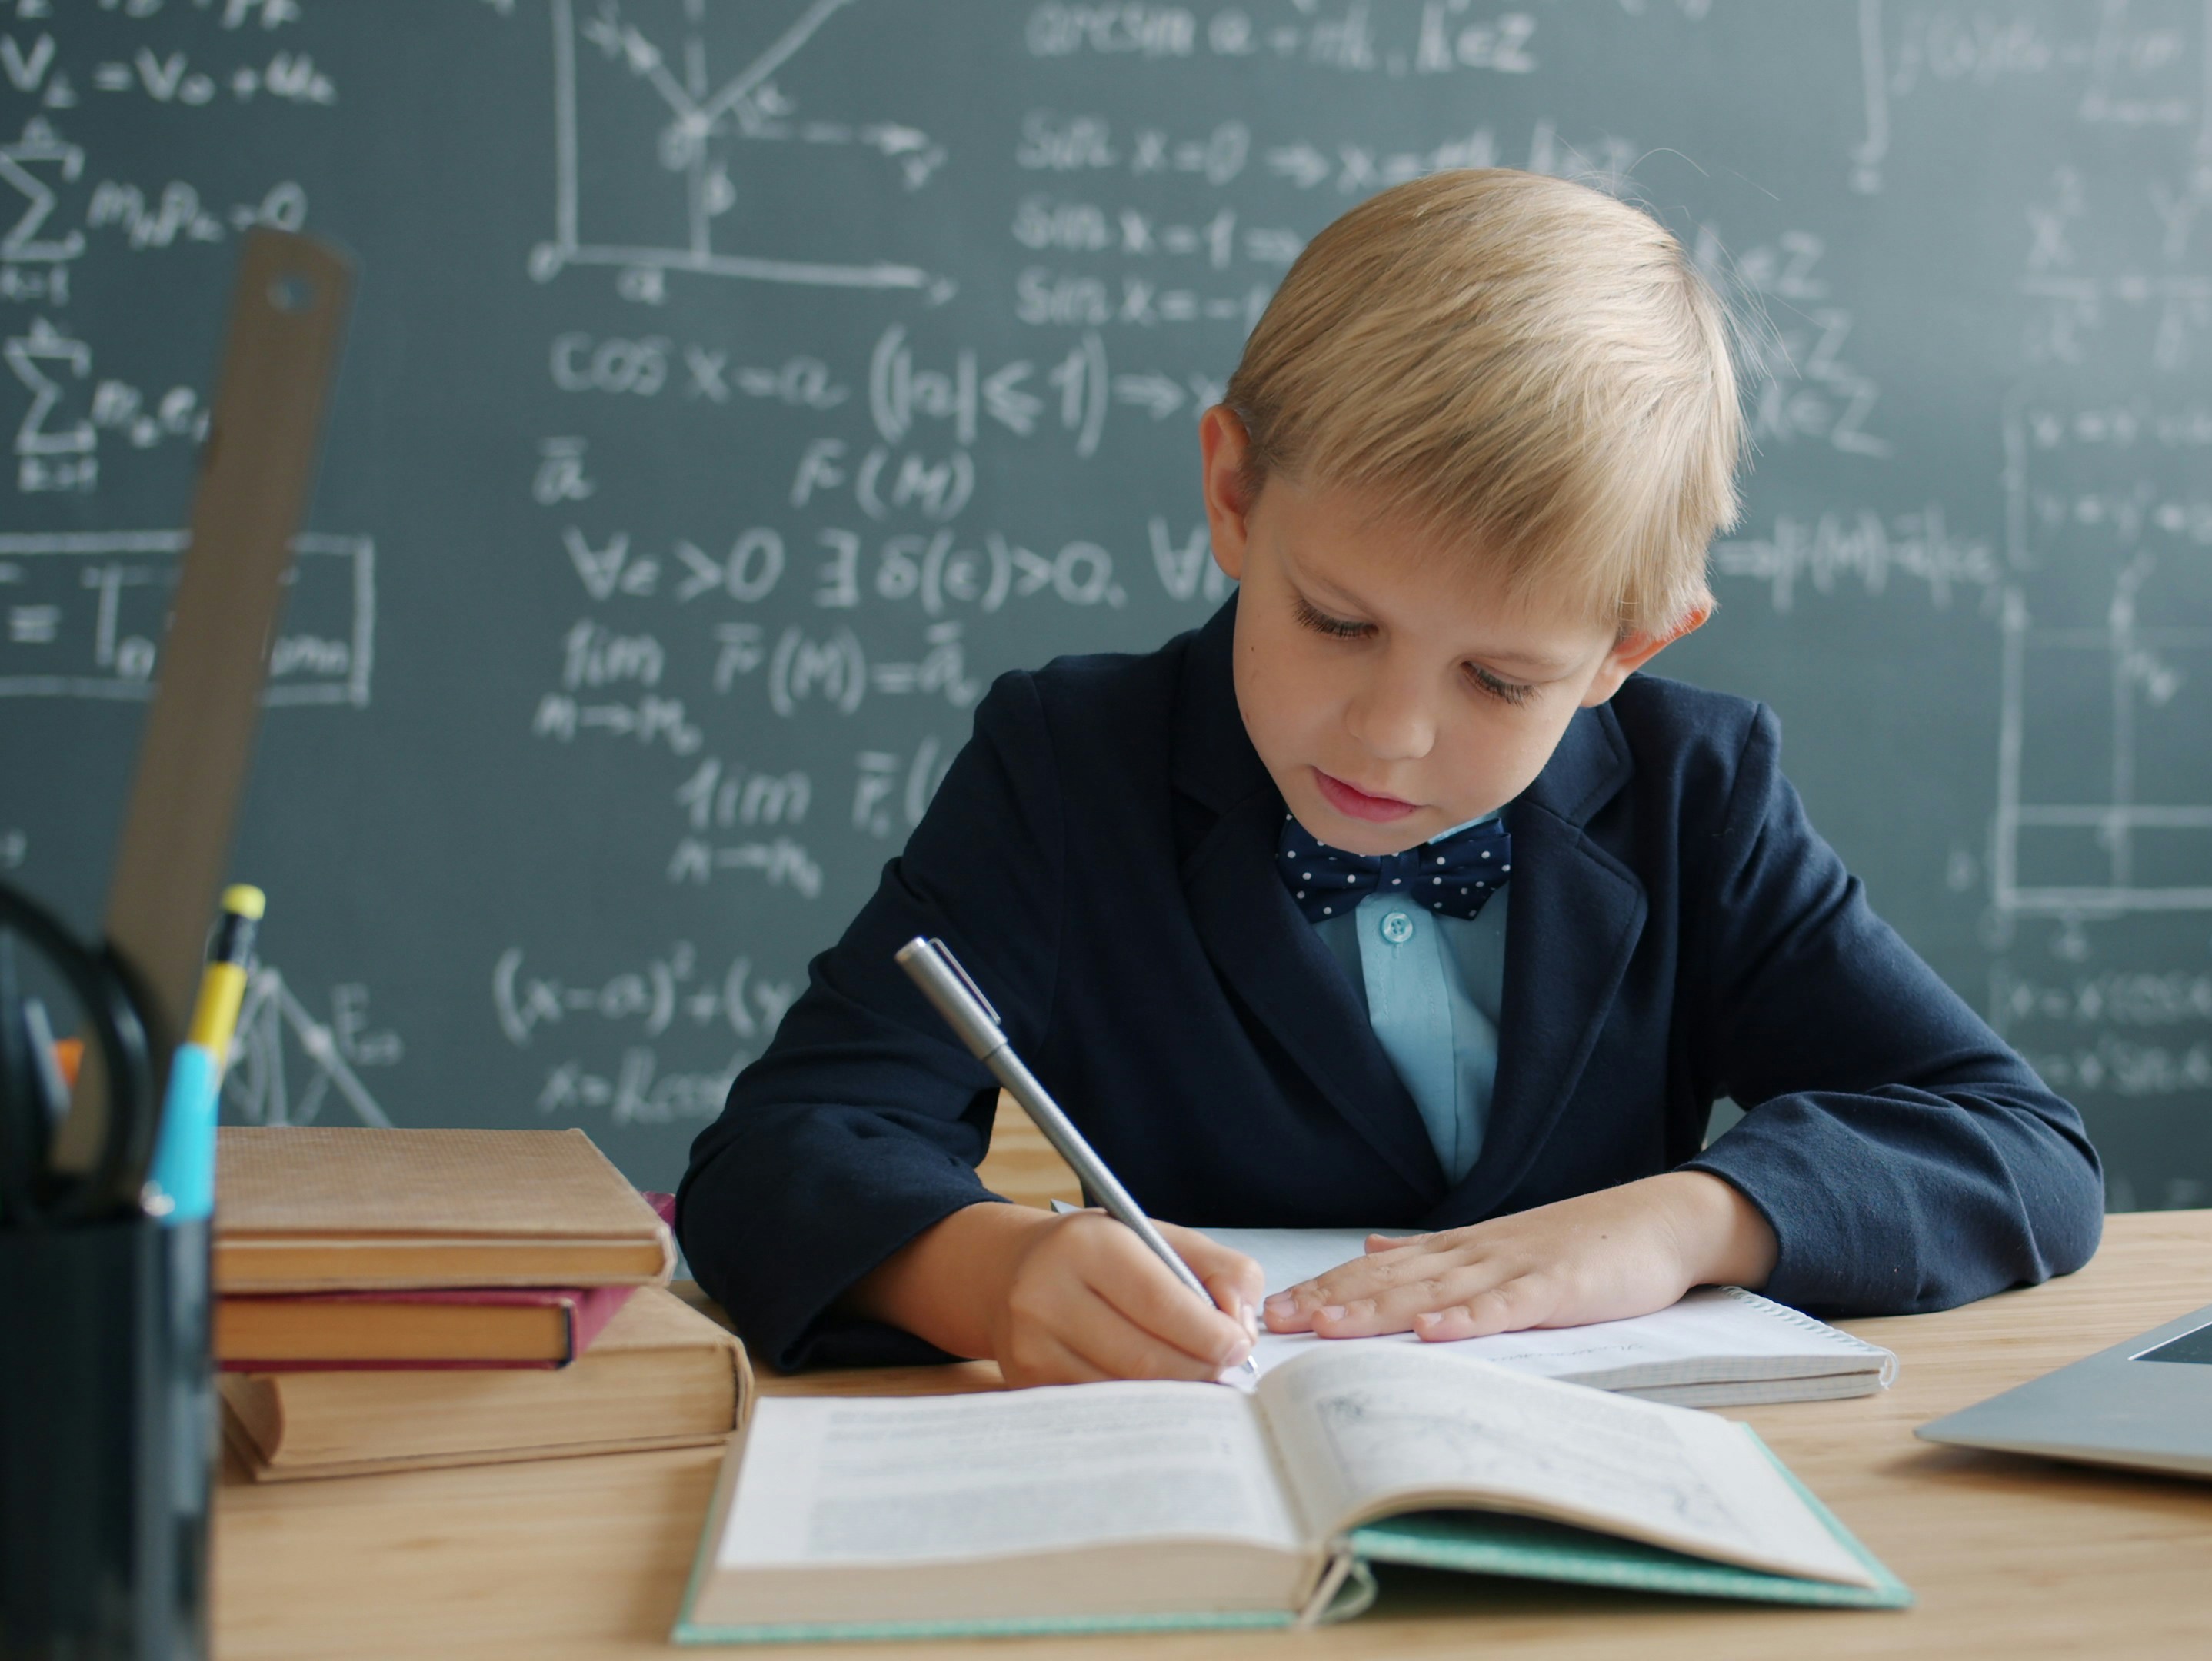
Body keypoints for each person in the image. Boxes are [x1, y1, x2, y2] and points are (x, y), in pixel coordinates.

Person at [678, 168, 2101, 1383]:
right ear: (1233, 497)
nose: (1390, 735)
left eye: (1500, 680)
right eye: (1338, 624)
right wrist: (990, 1272)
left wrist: (1680, 1221)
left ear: (1626, 647)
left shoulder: (1698, 794)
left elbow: (2019, 1146)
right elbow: (778, 1155)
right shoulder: (1070, 768)